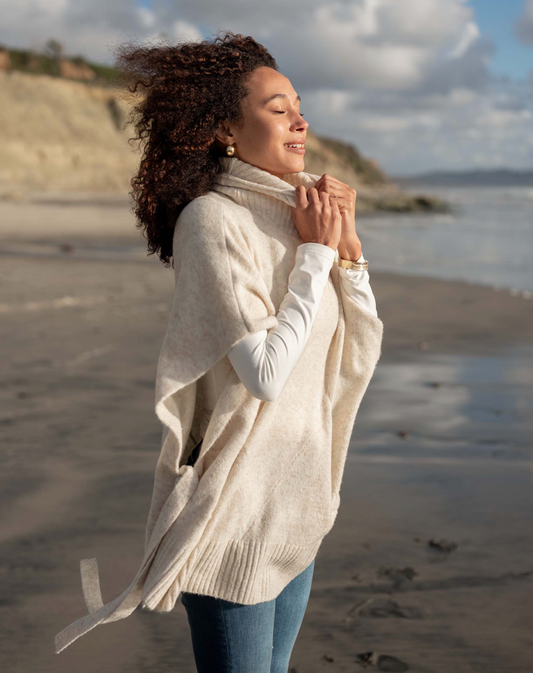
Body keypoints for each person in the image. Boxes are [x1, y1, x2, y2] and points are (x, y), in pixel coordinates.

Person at [54, 31, 384, 672]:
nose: (301, 120)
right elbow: (265, 373)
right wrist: (315, 256)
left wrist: (348, 251)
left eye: (298, 105)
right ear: (225, 128)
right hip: (236, 509)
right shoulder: (214, 220)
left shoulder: (301, 211)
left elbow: (357, 351)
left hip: (299, 501)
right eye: (277, 107)